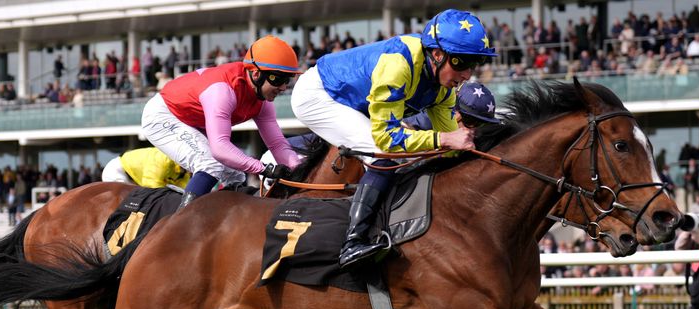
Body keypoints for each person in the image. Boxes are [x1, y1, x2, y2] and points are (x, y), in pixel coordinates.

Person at [291, 8, 493, 267]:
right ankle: (352, 242)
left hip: (355, 101)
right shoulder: (399, 64)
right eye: (461, 63)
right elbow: (390, 139)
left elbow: (453, 149)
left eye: (472, 65)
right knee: (385, 154)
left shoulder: (443, 91)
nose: (467, 75)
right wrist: (443, 140)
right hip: (318, 95)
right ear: (437, 54)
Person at [141, 35, 301, 210]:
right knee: (212, 164)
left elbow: (278, 145)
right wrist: (263, 168)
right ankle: (181, 225)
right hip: (162, 115)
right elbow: (220, 148)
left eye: (288, 79)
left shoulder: (263, 102)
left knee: (236, 175)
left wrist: (300, 169)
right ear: (256, 74)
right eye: (278, 79)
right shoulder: (223, 91)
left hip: (193, 120)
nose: (284, 87)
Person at [101, 147, 191, 189]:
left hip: (131, 177)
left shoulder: (184, 173)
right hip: (116, 170)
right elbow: (150, 186)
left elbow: (185, 190)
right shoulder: (163, 159)